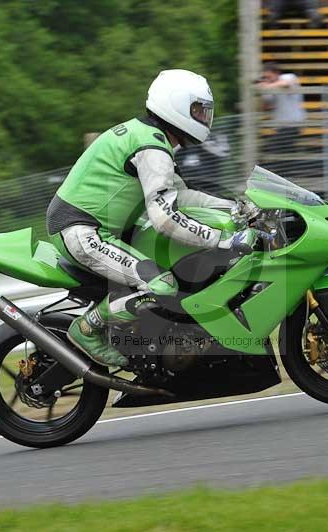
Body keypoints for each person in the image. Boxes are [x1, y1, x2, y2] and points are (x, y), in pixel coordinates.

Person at [46, 69, 259, 367]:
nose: (204, 118)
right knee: (162, 285)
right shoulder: (151, 147)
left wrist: (238, 209)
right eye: (198, 110)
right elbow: (166, 218)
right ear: (175, 106)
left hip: (91, 228)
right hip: (83, 231)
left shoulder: (151, 138)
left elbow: (183, 197)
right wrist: (223, 240)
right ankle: (86, 329)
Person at [256, 62, 306, 176]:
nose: (268, 79)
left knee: (274, 149)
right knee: (281, 154)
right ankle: (282, 177)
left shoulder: (288, 77)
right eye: (265, 77)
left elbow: (285, 84)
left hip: (293, 125)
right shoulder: (271, 87)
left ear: (277, 73)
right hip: (281, 127)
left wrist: (266, 86)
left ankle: (280, 177)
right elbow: (265, 107)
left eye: (269, 77)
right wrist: (263, 93)